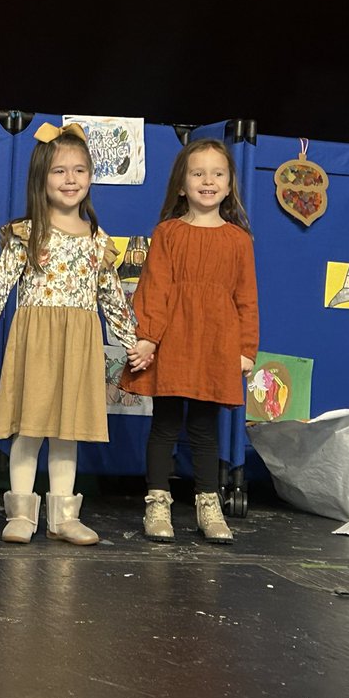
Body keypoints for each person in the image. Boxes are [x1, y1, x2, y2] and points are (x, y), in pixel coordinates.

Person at [0, 122, 142, 545]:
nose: (71, 179)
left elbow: (112, 297)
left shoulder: (98, 241)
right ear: (42, 178)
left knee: (68, 430)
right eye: (60, 171)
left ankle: (63, 515)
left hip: (78, 342)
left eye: (79, 170)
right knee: (31, 427)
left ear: (91, 177)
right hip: (37, 340)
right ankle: (21, 512)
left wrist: (133, 343)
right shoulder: (28, 234)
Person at [120, 138, 258, 545]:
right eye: (198, 173)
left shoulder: (238, 240)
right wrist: (148, 339)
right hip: (173, 343)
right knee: (163, 425)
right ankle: (158, 502)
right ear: (182, 185)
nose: (208, 181)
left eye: (218, 173)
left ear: (230, 185)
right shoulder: (167, 233)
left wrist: (246, 349)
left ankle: (208, 502)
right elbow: (154, 290)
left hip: (215, 345)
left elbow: (246, 298)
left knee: (203, 428)